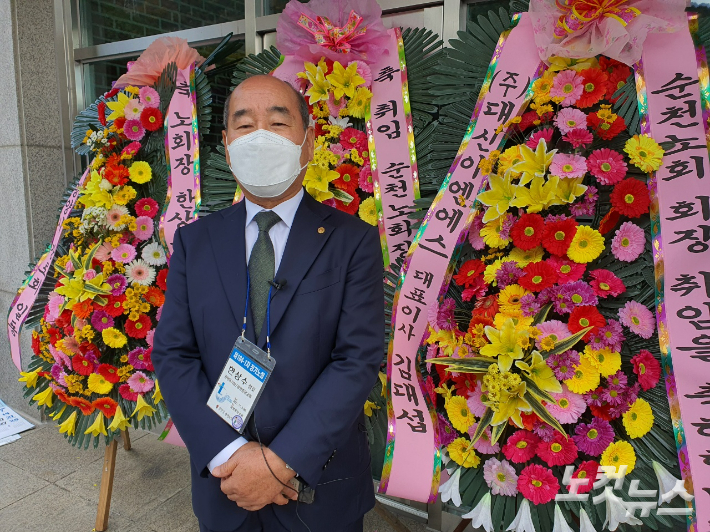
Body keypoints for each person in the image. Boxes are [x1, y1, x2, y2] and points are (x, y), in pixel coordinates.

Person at [152, 74, 384, 532]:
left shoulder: (352, 241)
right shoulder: (195, 242)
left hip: (320, 490)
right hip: (226, 486)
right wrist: (231, 454)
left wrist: (281, 462)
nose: (259, 136)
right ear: (225, 143)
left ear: (308, 141)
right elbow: (174, 354)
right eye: (244, 124)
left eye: (278, 122)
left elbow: (356, 359)